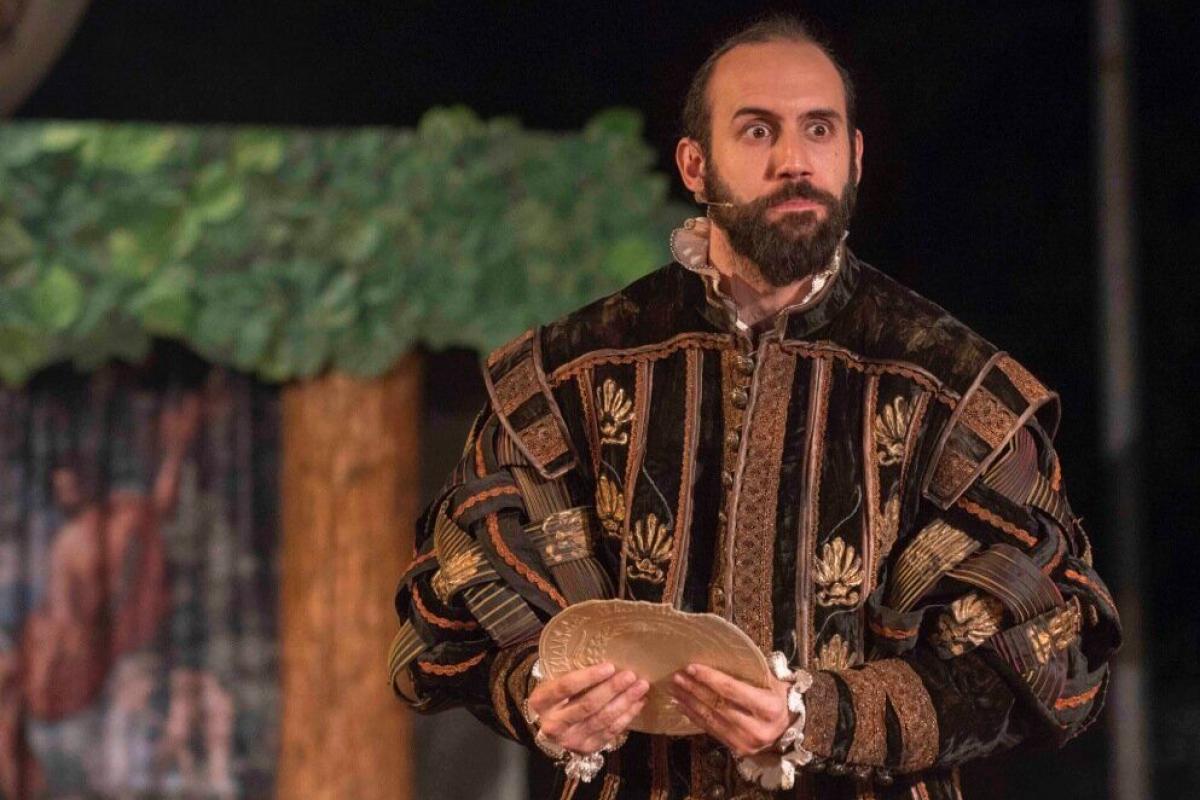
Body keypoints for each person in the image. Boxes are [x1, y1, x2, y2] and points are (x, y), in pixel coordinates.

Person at [388, 15, 1120, 800]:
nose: (794, 160)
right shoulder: (571, 372)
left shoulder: (951, 387)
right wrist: (539, 693)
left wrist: (818, 715)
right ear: (695, 164)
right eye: (758, 130)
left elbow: (1050, 652)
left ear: (855, 155)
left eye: (818, 129)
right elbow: (450, 611)